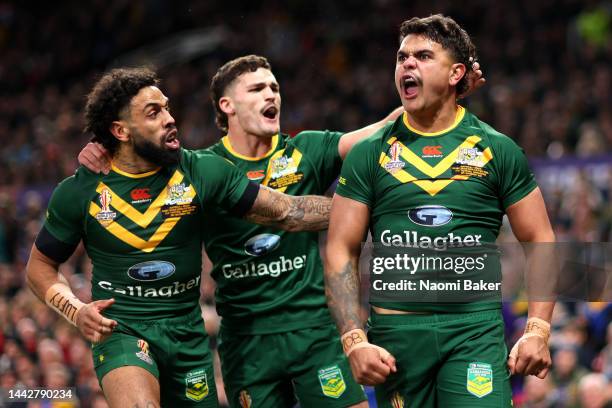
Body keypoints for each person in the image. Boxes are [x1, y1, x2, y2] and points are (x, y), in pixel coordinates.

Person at [78, 55, 484, 408]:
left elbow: (382, 129)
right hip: (247, 339)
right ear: (228, 105)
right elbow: (134, 163)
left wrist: (443, 95)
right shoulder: (200, 167)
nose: (271, 95)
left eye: (274, 87)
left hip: (314, 332)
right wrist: (101, 152)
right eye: (256, 89)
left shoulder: (307, 149)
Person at [25, 67, 333, 408]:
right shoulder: (79, 192)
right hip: (123, 330)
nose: (171, 119)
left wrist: (367, 208)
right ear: (120, 130)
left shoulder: (202, 171)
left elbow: (287, 212)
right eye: (154, 112)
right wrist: (75, 310)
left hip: (188, 335)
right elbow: (39, 266)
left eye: (167, 108)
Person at [325, 14, 556, 408]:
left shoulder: (497, 148)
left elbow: (540, 238)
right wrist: (353, 340)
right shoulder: (369, 153)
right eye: (401, 57)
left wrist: (538, 329)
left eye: (423, 56)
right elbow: (340, 248)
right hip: (396, 338)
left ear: (456, 74)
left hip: (473, 332)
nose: (407, 64)